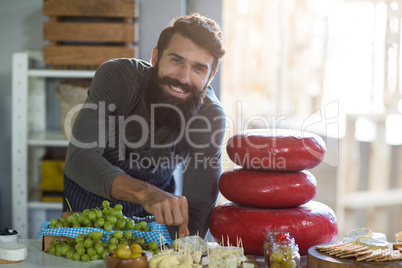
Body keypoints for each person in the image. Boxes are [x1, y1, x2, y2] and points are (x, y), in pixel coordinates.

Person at [62, 13, 226, 239]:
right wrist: (146, 193)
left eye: (198, 68)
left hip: (152, 227)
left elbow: (197, 209)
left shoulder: (209, 117)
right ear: (155, 57)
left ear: (211, 76)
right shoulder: (118, 77)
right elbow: (80, 158)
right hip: (87, 217)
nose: (184, 78)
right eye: (176, 60)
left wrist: (177, 252)